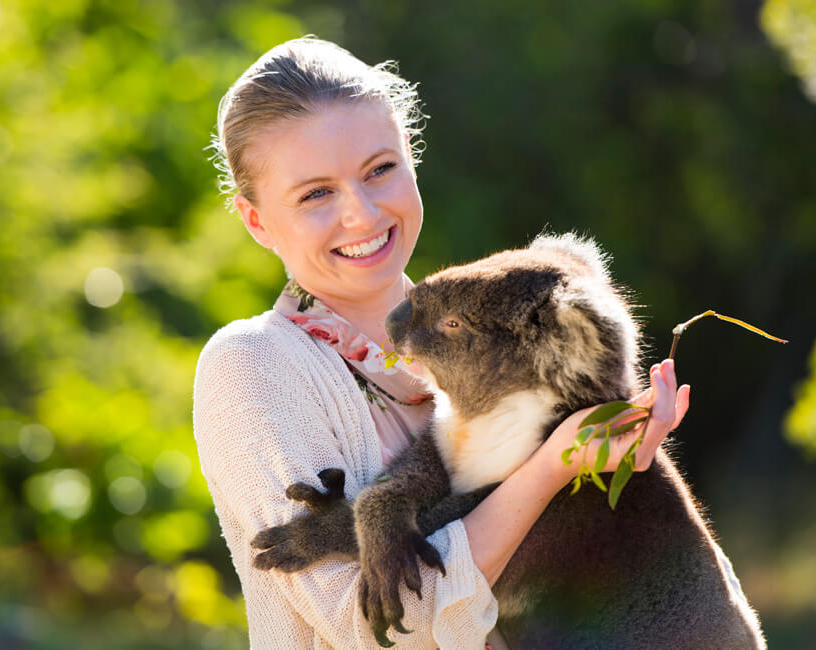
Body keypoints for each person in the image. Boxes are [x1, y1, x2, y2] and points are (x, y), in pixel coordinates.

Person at [192, 37, 691, 649]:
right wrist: (555, 468)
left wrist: (616, 449)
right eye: (316, 193)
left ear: (411, 155)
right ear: (257, 220)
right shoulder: (253, 367)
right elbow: (377, 627)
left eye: (380, 169)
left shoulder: (498, 325)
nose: (362, 213)